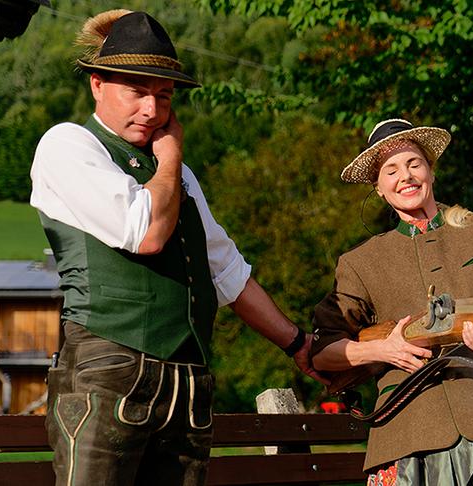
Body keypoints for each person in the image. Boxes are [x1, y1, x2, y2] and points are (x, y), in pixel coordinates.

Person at [29, 10, 322, 486]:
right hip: (108, 373)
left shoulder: (176, 173)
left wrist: (297, 345)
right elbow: (143, 233)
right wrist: (169, 161)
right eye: (137, 92)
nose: (152, 110)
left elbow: (226, 272)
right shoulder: (68, 145)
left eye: (163, 96)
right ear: (97, 85)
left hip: (188, 382)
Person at [310, 119, 473, 485]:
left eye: (414, 163)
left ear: (430, 169)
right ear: (378, 189)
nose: (406, 177)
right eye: (391, 170)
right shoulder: (359, 263)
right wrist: (386, 349)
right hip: (410, 428)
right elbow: (323, 351)